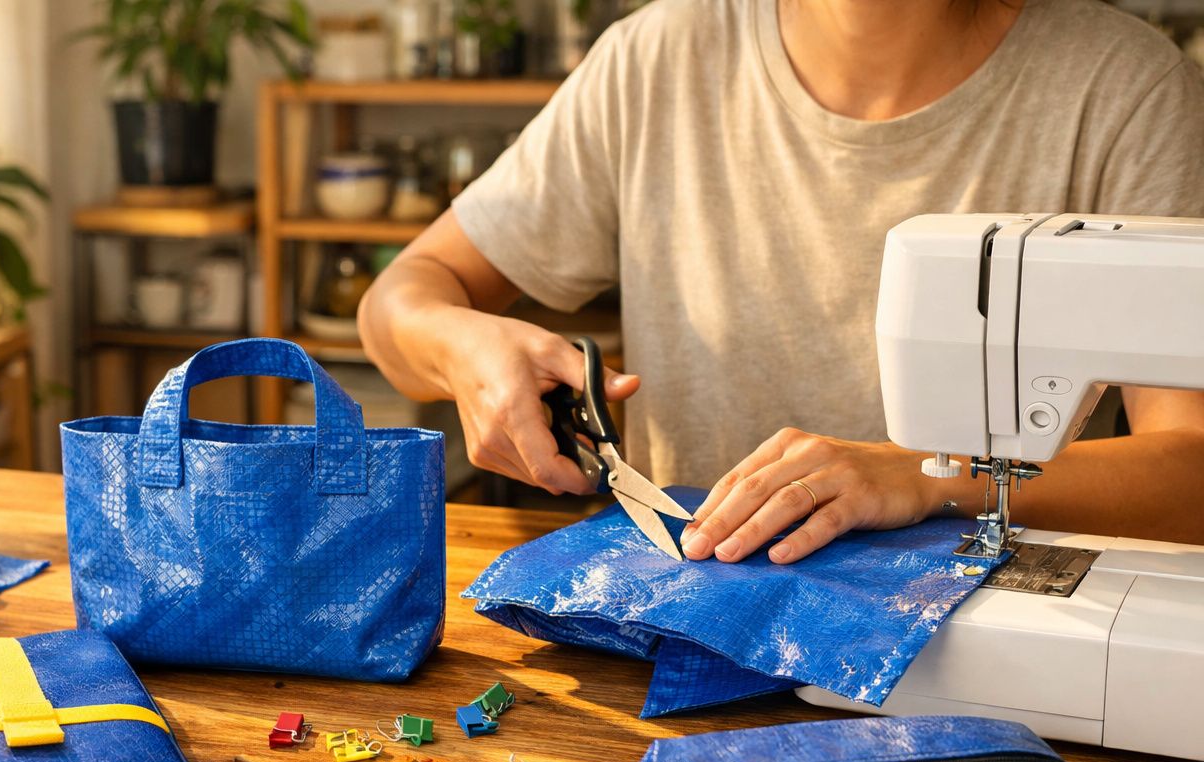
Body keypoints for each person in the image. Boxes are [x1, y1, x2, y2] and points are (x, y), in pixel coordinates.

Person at [358, 0, 1204, 564]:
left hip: (1004, 648)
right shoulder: (656, 59)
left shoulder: (1124, 88)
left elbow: (1191, 471)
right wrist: (466, 350)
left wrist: (928, 478)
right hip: (694, 617)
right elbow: (400, 302)